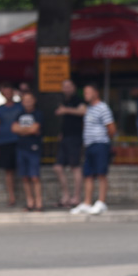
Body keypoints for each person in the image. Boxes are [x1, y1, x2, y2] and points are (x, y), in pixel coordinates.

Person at [71, 84, 116, 215]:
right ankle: (87, 202)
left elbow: (111, 128)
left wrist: (103, 139)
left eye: (88, 92)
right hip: (89, 145)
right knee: (88, 175)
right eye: (85, 93)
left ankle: (101, 202)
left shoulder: (103, 108)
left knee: (101, 174)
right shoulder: (89, 108)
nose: (86, 95)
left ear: (96, 93)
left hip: (100, 144)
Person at [53, 79, 85, 208]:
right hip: (65, 137)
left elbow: (83, 111)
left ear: (74, 87)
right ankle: (66, 196)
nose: (66, 89)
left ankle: (76, 197)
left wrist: (66, 110)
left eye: (69, 86)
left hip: (75, 137)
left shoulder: (78, 100)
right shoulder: (64, 101)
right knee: (58, 167)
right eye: (64, 86)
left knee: (75, 167)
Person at [0, 82, 23, 206]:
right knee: (8, 171)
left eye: (10, 91)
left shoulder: (21, 106)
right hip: (4, 142)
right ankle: (11, 197)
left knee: (23, 169)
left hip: (20, 141)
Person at [11, 90, 44, 211]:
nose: (28, 102)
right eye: (25, 100)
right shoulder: (19, 114)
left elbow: (35, 129)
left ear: (34, 101)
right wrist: (28, 130)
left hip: (34, 148)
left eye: (30, 100)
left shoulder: (38, 114)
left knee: (35, 177)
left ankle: (39, 203)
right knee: (25, 177)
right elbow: (13, 128)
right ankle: (30, 202)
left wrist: (22, 130)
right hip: (21, 147)